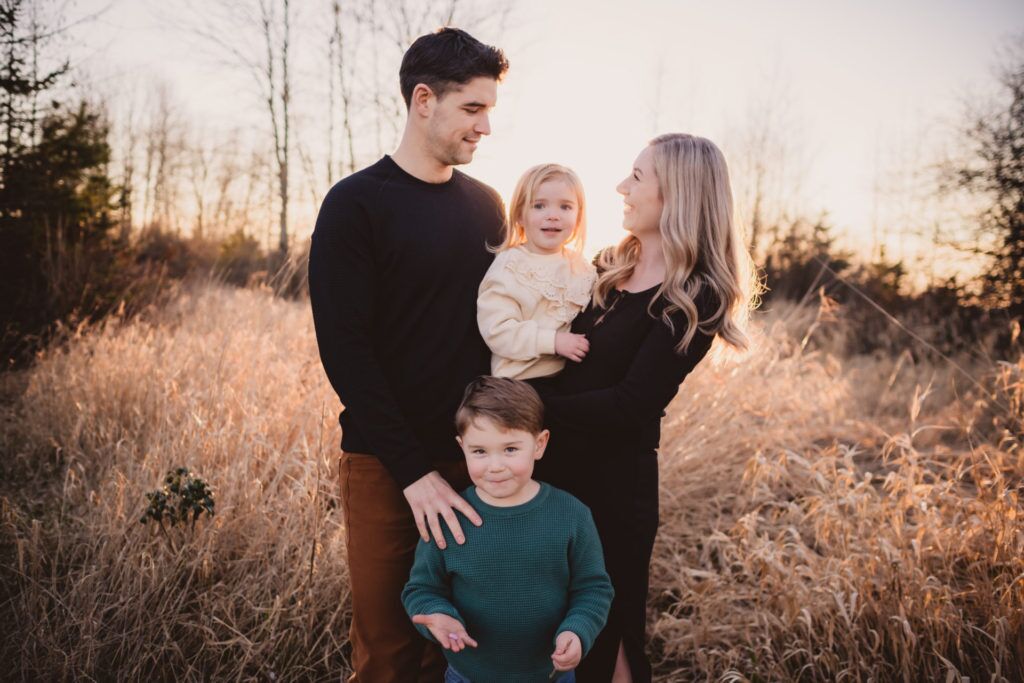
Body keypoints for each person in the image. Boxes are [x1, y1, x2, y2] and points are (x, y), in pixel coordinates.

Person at [307, 28, 509, 683]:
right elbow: (346, 351)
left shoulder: (488, 207)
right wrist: (413, 470)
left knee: (462, 646)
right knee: (391, 651)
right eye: (473, 109)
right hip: (385, 467)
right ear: (424, 100)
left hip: (478, 464)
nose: (486, 127)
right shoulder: (355, 206)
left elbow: (508, 330)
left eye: (490, 111)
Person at [532, 133, 759, 682]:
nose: (620, 188)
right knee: (551, 630)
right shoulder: (606, 266)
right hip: (550, 473)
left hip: (613, 490)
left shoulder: (697, 296)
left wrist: (529, 407)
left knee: (607, 630)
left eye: (637, 177)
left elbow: (632, 405)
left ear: (676, 193)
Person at [402, 376, 614, 683]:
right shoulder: (449, 518)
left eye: (511, 449)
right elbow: (422, 589)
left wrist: (577, 630)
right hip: (469, 675)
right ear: (462, 448)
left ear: (539, 445)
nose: (495, 465)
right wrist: (438, 615)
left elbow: (594, 589)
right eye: (480, 452)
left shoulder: (571, 515)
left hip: (550, 675)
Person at [477, 163, 596, 380]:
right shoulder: (511, 265)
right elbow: (497, 331)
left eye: (565, 207)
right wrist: (553, 341)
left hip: (566, 378)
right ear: (520, 216)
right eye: (539, 206)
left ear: (578, 217)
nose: (553, 215)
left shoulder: (581, 267)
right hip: (518, 383)